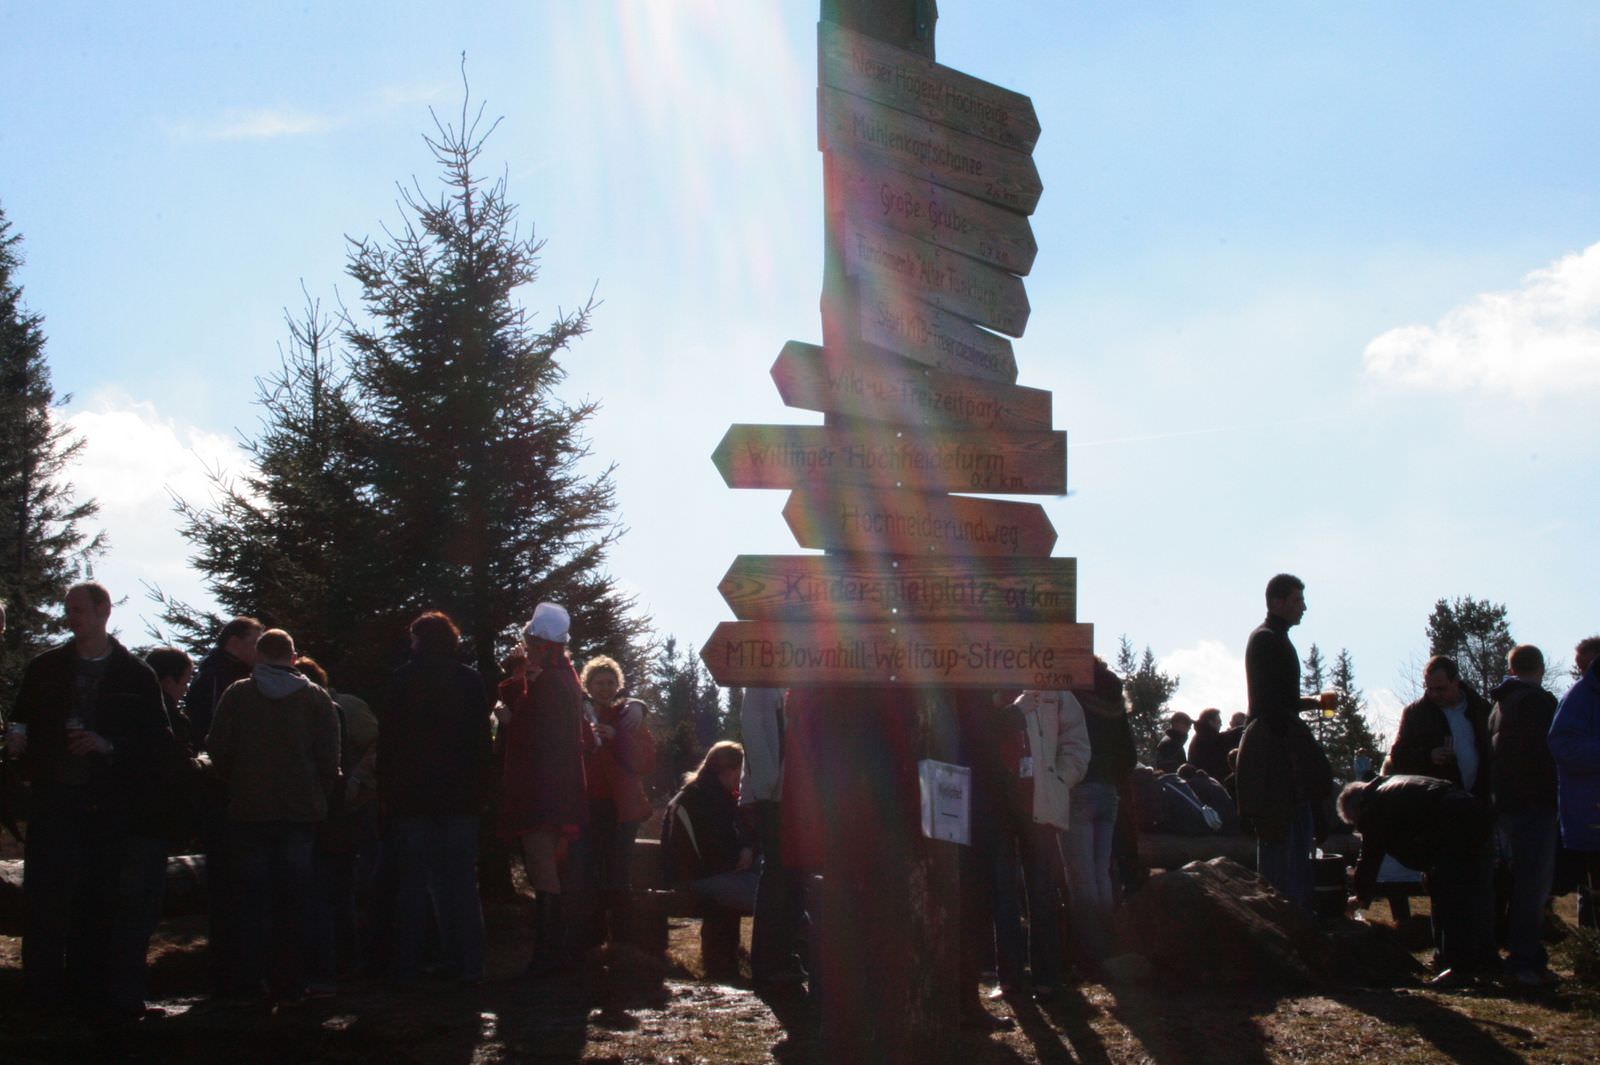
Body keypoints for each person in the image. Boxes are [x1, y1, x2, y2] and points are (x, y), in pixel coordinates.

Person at [5, 582, 179, 1026]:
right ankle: (42, 998)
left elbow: (159, 743)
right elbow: (21, 717)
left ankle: (88, 996)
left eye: (78, 609)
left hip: (106, 807)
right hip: (53, 801)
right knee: (45, 900)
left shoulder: (135, 675)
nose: (71, 617)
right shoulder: (45, 667)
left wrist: (108, 745)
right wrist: (18, 739)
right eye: (68, 609)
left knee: (97, 900)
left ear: (103, 610)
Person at [205, 628, 340, 1004]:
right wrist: (317, 793)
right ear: (293, 657)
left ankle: (250, 983)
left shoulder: (238, 694)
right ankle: (291, 983)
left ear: (260, 656)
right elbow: (330, 757)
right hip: (300, 812)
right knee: (294, 901)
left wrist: (237, 781)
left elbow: (217, 747)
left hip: (249, 810)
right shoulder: (316, 697)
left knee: (251, 901)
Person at [375, 612, 492, 986]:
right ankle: (468, 964)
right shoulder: (470, 681)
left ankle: (407, 966)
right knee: (460, 881)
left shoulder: (401, 680)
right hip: (460, 797)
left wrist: (386, 790)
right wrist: (483, 790)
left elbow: (388, 741)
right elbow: (481, 742)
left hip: (411, 798)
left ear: (419, 641)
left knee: (413, 883)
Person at [498, 601, 588, 977]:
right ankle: (556, 952)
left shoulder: (550, 683)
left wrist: (509, 718)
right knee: (551, 871)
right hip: (558, 791)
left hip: (542, 793)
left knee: (544, 872)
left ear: (540, 644)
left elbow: (535, 735)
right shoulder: (564, 678)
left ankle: (549, 955)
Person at [1236, 573, 1336, 912]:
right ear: (1277, 602)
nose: (1303, 607)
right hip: (1273, 756)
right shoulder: (1267, 640)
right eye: (1297, 600)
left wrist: (1312, 703)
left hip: (1279, 749)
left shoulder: (1276, 638)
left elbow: (1280, 700)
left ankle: (1291, 913)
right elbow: (1271, 703)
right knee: (1282, 839)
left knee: (1294, 838)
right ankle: (1283, 915)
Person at [1341, 774, 1498, 989]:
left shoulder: (1373, 806)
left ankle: (1459, 969)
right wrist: (1429, 867)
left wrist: (1360, 896)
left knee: (1451, 900)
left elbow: (1370, 857)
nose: (1360, 828)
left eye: (1356, 823)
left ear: (1357, 809)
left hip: (1454, 824)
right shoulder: (1395, 786)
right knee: (1476, 895)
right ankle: (1483, 960)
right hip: (1474, 814)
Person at [992, 688, 1090, 1001]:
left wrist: (1062, 777)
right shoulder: (987, 680)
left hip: (1041, 801)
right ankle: (1009, 978)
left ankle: (1046, 978)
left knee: (1042, 892)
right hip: (997, 803)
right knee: (1002, 894)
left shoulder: (1056, 689)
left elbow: (1076, 740)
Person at [183, 615, 262, 996]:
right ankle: (234, 976)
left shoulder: (218, 675)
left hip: (228, 796)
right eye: (255, 641)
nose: (259, 649)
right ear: (234, 640)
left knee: (233, 889)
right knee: (234, 888)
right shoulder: (222, 679)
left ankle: (235, 973)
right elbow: (216, 740)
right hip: (227, 798)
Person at [1487, 644, 1561, 987]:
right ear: (1541, 668)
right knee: (1533, 887)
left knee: (1515, 884)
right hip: (1535, 804)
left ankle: (1518, 954)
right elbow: (1549, 754)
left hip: (1505, 805)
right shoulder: (1539, 703)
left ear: (1511, 668)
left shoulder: (1498, 708)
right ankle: (1524, 961)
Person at [661, 741, 757, 979]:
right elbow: (714, 853)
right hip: (698, 879)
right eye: (741, 773)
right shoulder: (701, 800)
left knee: (781, 890)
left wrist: (748, 848)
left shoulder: (711, 795)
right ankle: (776, 964)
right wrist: (744, 855)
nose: (743, 779)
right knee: (774, 896)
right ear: (729, 771)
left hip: (708, 874)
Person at [579, 654, 656, 947]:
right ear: (588, 685)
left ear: (618, 685)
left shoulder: (628, 717)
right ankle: (594, 938)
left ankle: (622, 941)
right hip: (589, 806)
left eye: (610, 682)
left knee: (619, 873)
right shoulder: (580, 716)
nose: (605, 688)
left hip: (623, 809)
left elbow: (646, 760)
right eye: (599, 683)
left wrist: (617, 736)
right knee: (592, 872)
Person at [1063, 659, 1135, 970]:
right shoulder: (1116, 702)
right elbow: (1130, 755)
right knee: (1102, 873)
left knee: (1082, 878)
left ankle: (1090, 952)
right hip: (1109, 793)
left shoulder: (1074, 696)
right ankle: (1108, 943)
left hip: (1079, 789)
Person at [738, 687, 807, 988]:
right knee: (778, 873)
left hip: (799, 791)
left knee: (796, 874)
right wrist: (768, 788)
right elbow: (754, 730)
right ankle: (768, 963)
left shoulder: (802, 677)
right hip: (776, 795)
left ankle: (786, 955)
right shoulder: (761, 682)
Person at [1384, 656, 1492, 802]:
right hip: (1438, 804)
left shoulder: (1481, 708)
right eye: (1429, 689)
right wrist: (1429, 756)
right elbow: (1398, 758)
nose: (1434, 694)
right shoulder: (1416, 714)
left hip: (1482, 799)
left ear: (1456, 682)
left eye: (1441, 689)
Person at [1550, 636, 1600, 937]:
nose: (1582, 672)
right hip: (1593, 814)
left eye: (1586, 665)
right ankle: (1592, 953)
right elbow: (1562, 745)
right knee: (1594, 890)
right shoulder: (1580, 697)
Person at [1187, 708, 1230, 781]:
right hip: (1209, 781)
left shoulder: (1200, 737)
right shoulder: (1208, 739)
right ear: (1210, 722)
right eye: (1219, 722)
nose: (1221, 724)